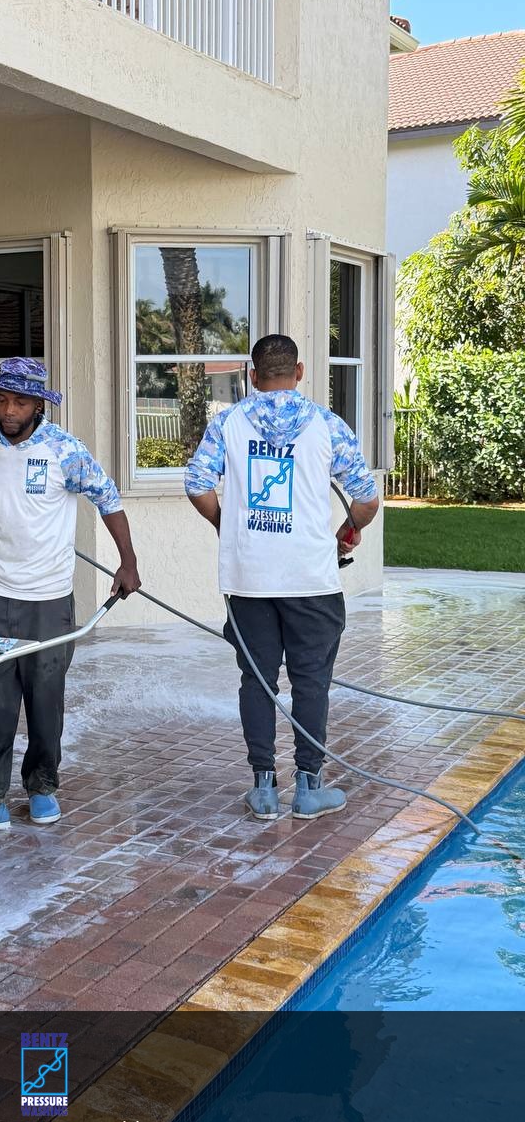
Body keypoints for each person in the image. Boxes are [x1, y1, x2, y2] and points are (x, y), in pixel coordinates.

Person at [184, 334, 380, 821]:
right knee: (311, 683)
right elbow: (366, 498)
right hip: (311, 579)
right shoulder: (327, 425)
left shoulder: (228, 422)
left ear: (252, 376)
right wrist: (347, 530)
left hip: (249, 578)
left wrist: (226, 524)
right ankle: (309, 788)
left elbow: (197, 484)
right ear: (299, 373)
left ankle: (264, 788)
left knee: (257, 681)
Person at [0, 357, 141, 835]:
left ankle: (41, 788)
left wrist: (128, 562)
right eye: (1, 399)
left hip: (49, 598)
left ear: (38, 405)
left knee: (44, 699)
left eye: (19, 402)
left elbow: (108, 498)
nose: (8, 410)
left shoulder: (64, 450)